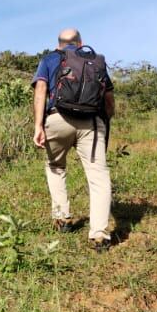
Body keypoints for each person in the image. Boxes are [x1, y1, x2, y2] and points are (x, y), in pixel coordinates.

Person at [32, 28, 115, 250]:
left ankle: (63, 218)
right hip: (91, 122)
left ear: (59, 44)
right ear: (80, 43)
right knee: (98, 174)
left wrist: (38, 125)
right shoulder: (94, 61)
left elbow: (41, 90)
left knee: (55, 166)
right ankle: (99, 234)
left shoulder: (50, 59)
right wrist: (105, 121)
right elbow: (108, 97)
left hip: (57, 118)